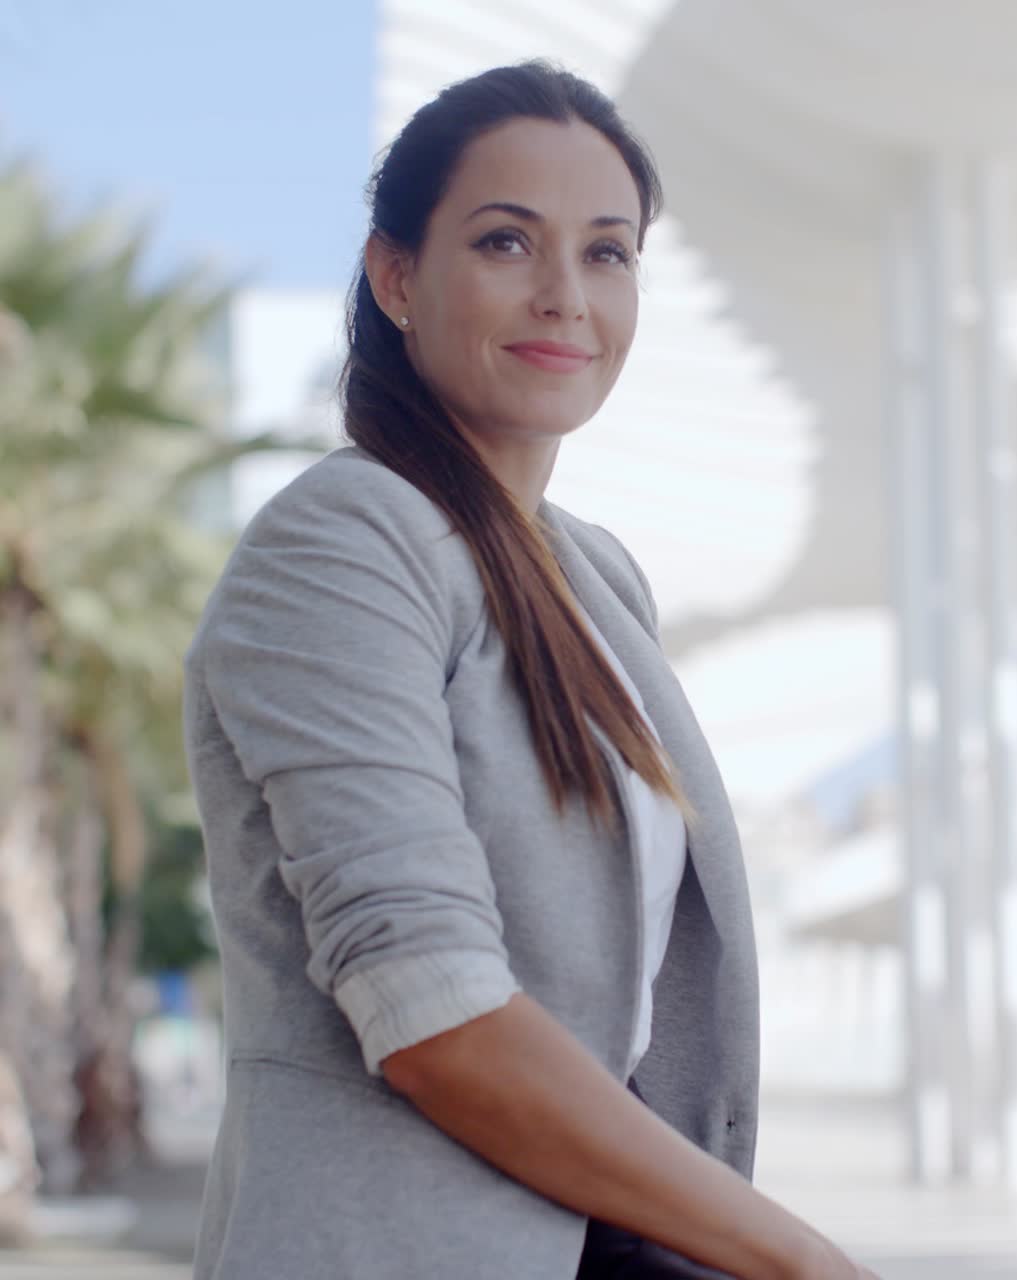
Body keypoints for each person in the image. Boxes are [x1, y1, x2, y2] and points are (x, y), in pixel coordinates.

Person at [182, 60, 881, 1280]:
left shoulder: (595, 579)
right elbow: (430, 1008)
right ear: (396, 275)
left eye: (607, 254)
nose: (565, 296)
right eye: (507, 241)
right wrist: (800, 1258)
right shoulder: (341, 543)